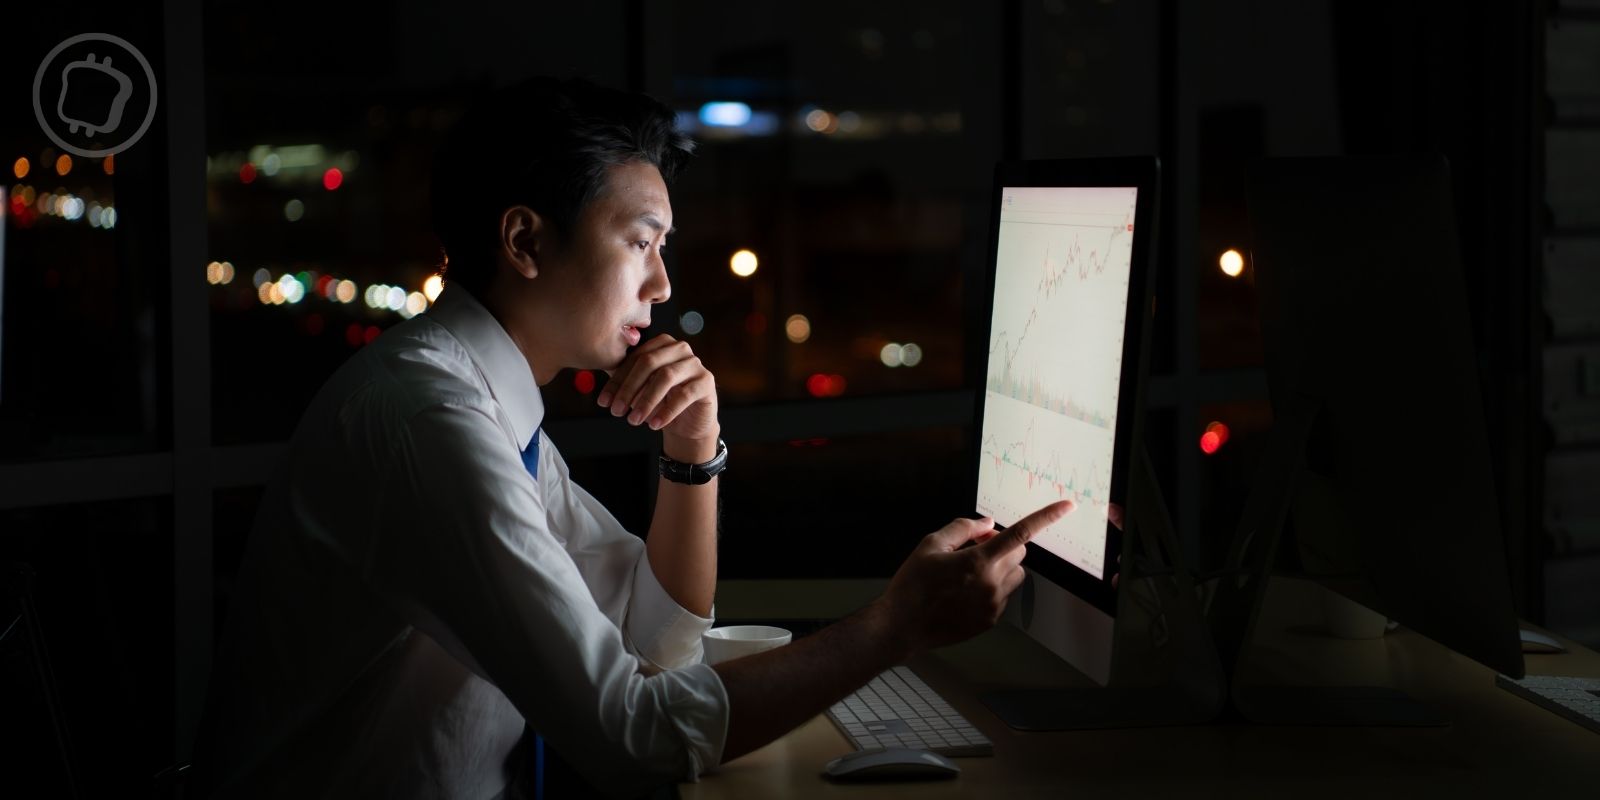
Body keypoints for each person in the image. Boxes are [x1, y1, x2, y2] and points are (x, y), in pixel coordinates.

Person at [193, 76, 1077, 799]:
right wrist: (896, 626)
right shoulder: (433, 423)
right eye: (640, 242)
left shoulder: (482, 401)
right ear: (525, 241)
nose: (661, 283)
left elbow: (656, 641)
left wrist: (694, 455)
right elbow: (634, 737)